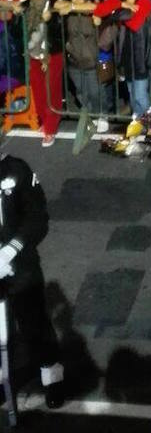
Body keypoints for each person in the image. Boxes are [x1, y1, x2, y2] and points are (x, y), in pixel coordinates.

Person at [0, 150, 64, 408]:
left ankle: (52, 379)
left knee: (34, 324)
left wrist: (12, 249)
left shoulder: (17, 170)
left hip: (19, 264)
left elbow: (37, 217)